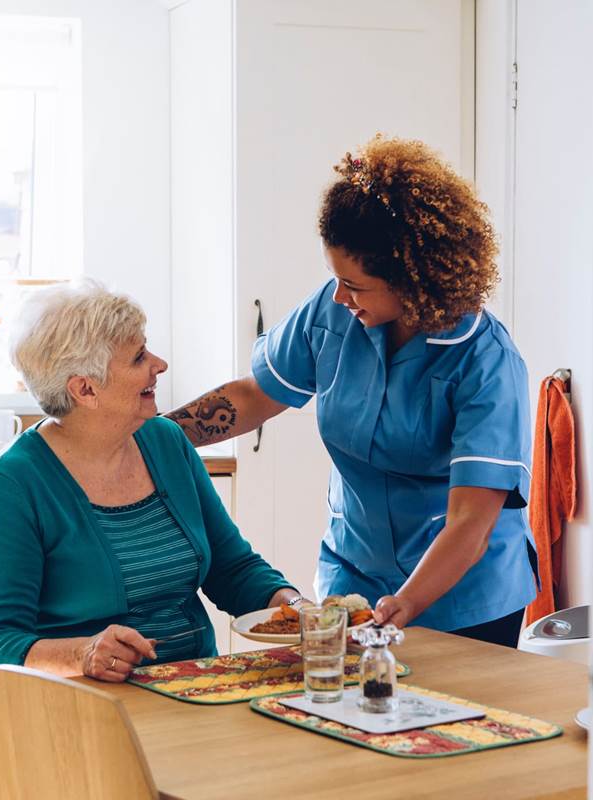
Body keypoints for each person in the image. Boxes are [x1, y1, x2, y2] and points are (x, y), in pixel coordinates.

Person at [167, 135, 537, 648]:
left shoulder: (485, 361)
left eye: (356, 285)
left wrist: (407, 603)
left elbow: (471, 522)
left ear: (413, 278)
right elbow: (254, 396)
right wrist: (154, 436)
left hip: (463, 598)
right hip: (354, 579)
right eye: (334, 278)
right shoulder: (333, 310)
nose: (340, 295)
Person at [0, 280, 301, 685]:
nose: (159, 364)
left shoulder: (165, 441)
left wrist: (294, 607)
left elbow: (232, 569)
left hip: (191, 688)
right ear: (85, 389)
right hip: (81, 705)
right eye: (139, 356)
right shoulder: (15, 482)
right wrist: (83, 653)